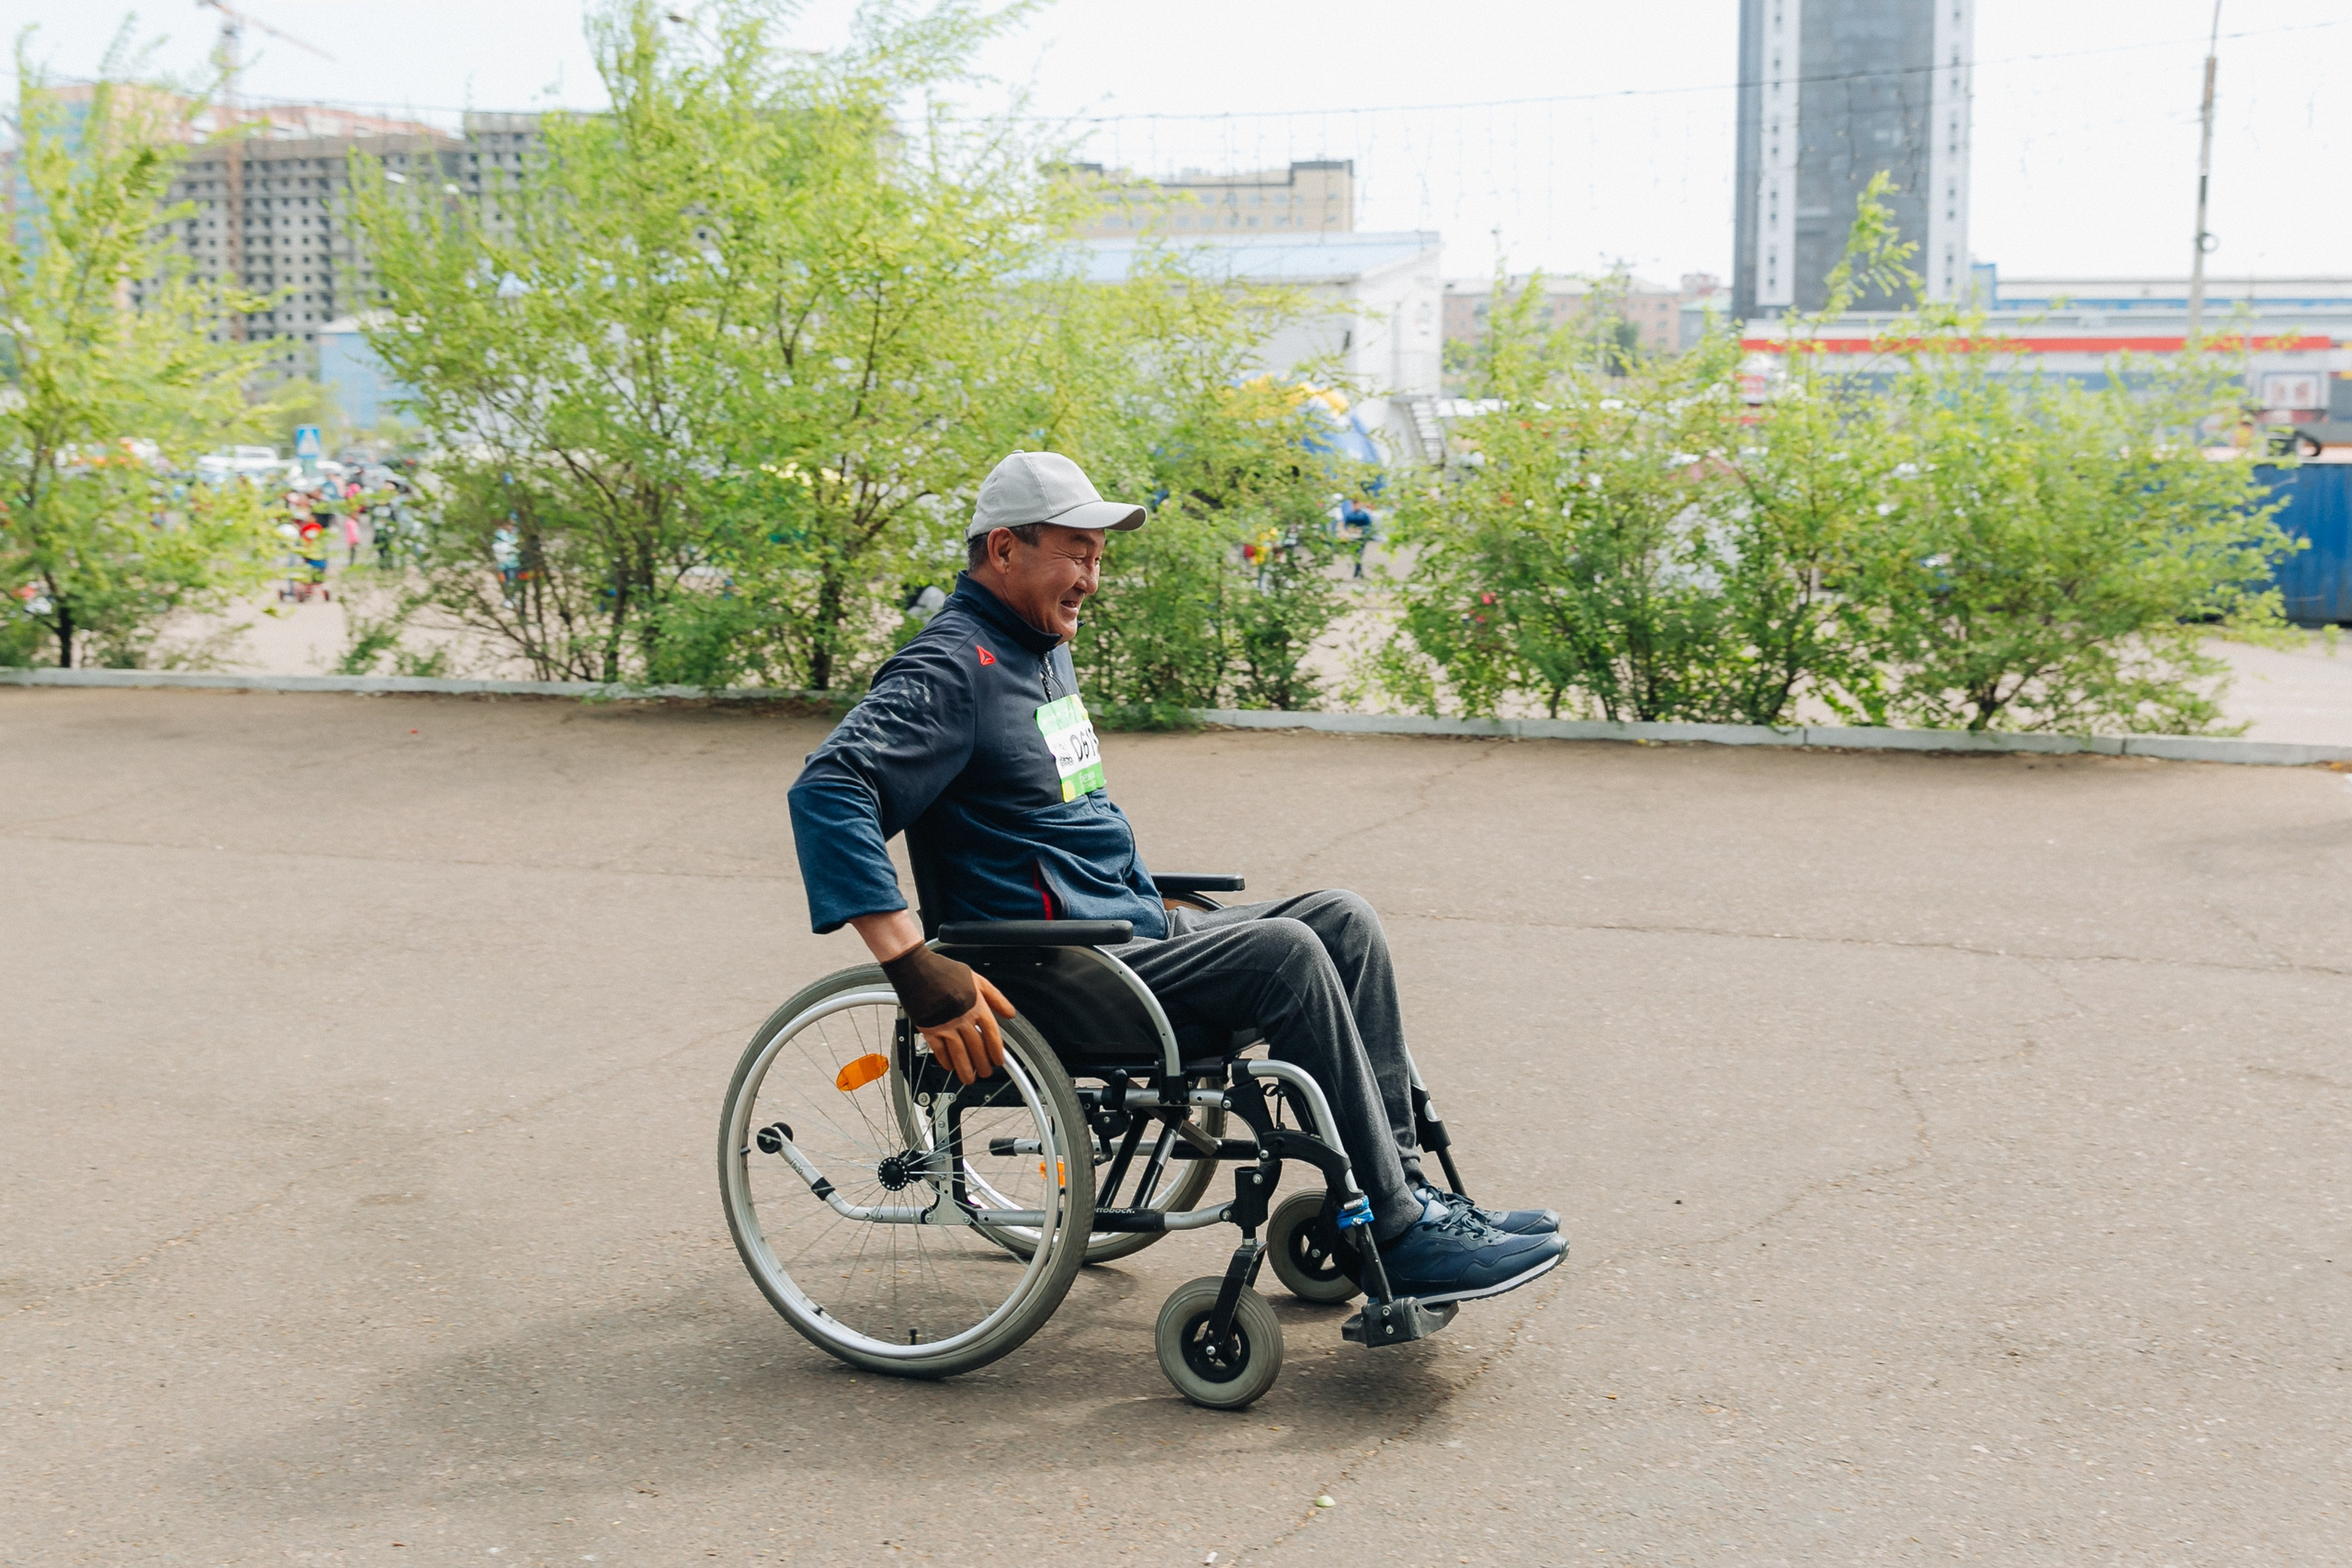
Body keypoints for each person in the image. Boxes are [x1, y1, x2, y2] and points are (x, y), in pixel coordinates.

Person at [786, 450, 1565, 1306]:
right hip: (1054, 972)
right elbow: (830, 790)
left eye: (1098, 555)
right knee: (1288, 954)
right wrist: (914, 967)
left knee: (1343, 918)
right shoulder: (951, 667)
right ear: (1004, 550)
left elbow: (1064, 816)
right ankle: (1396, 1228)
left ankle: (1404, 1197)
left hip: (1122, 928)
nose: (1090, 577)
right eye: (1074, 553)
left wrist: (1147, 891)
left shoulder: (1036, 647)